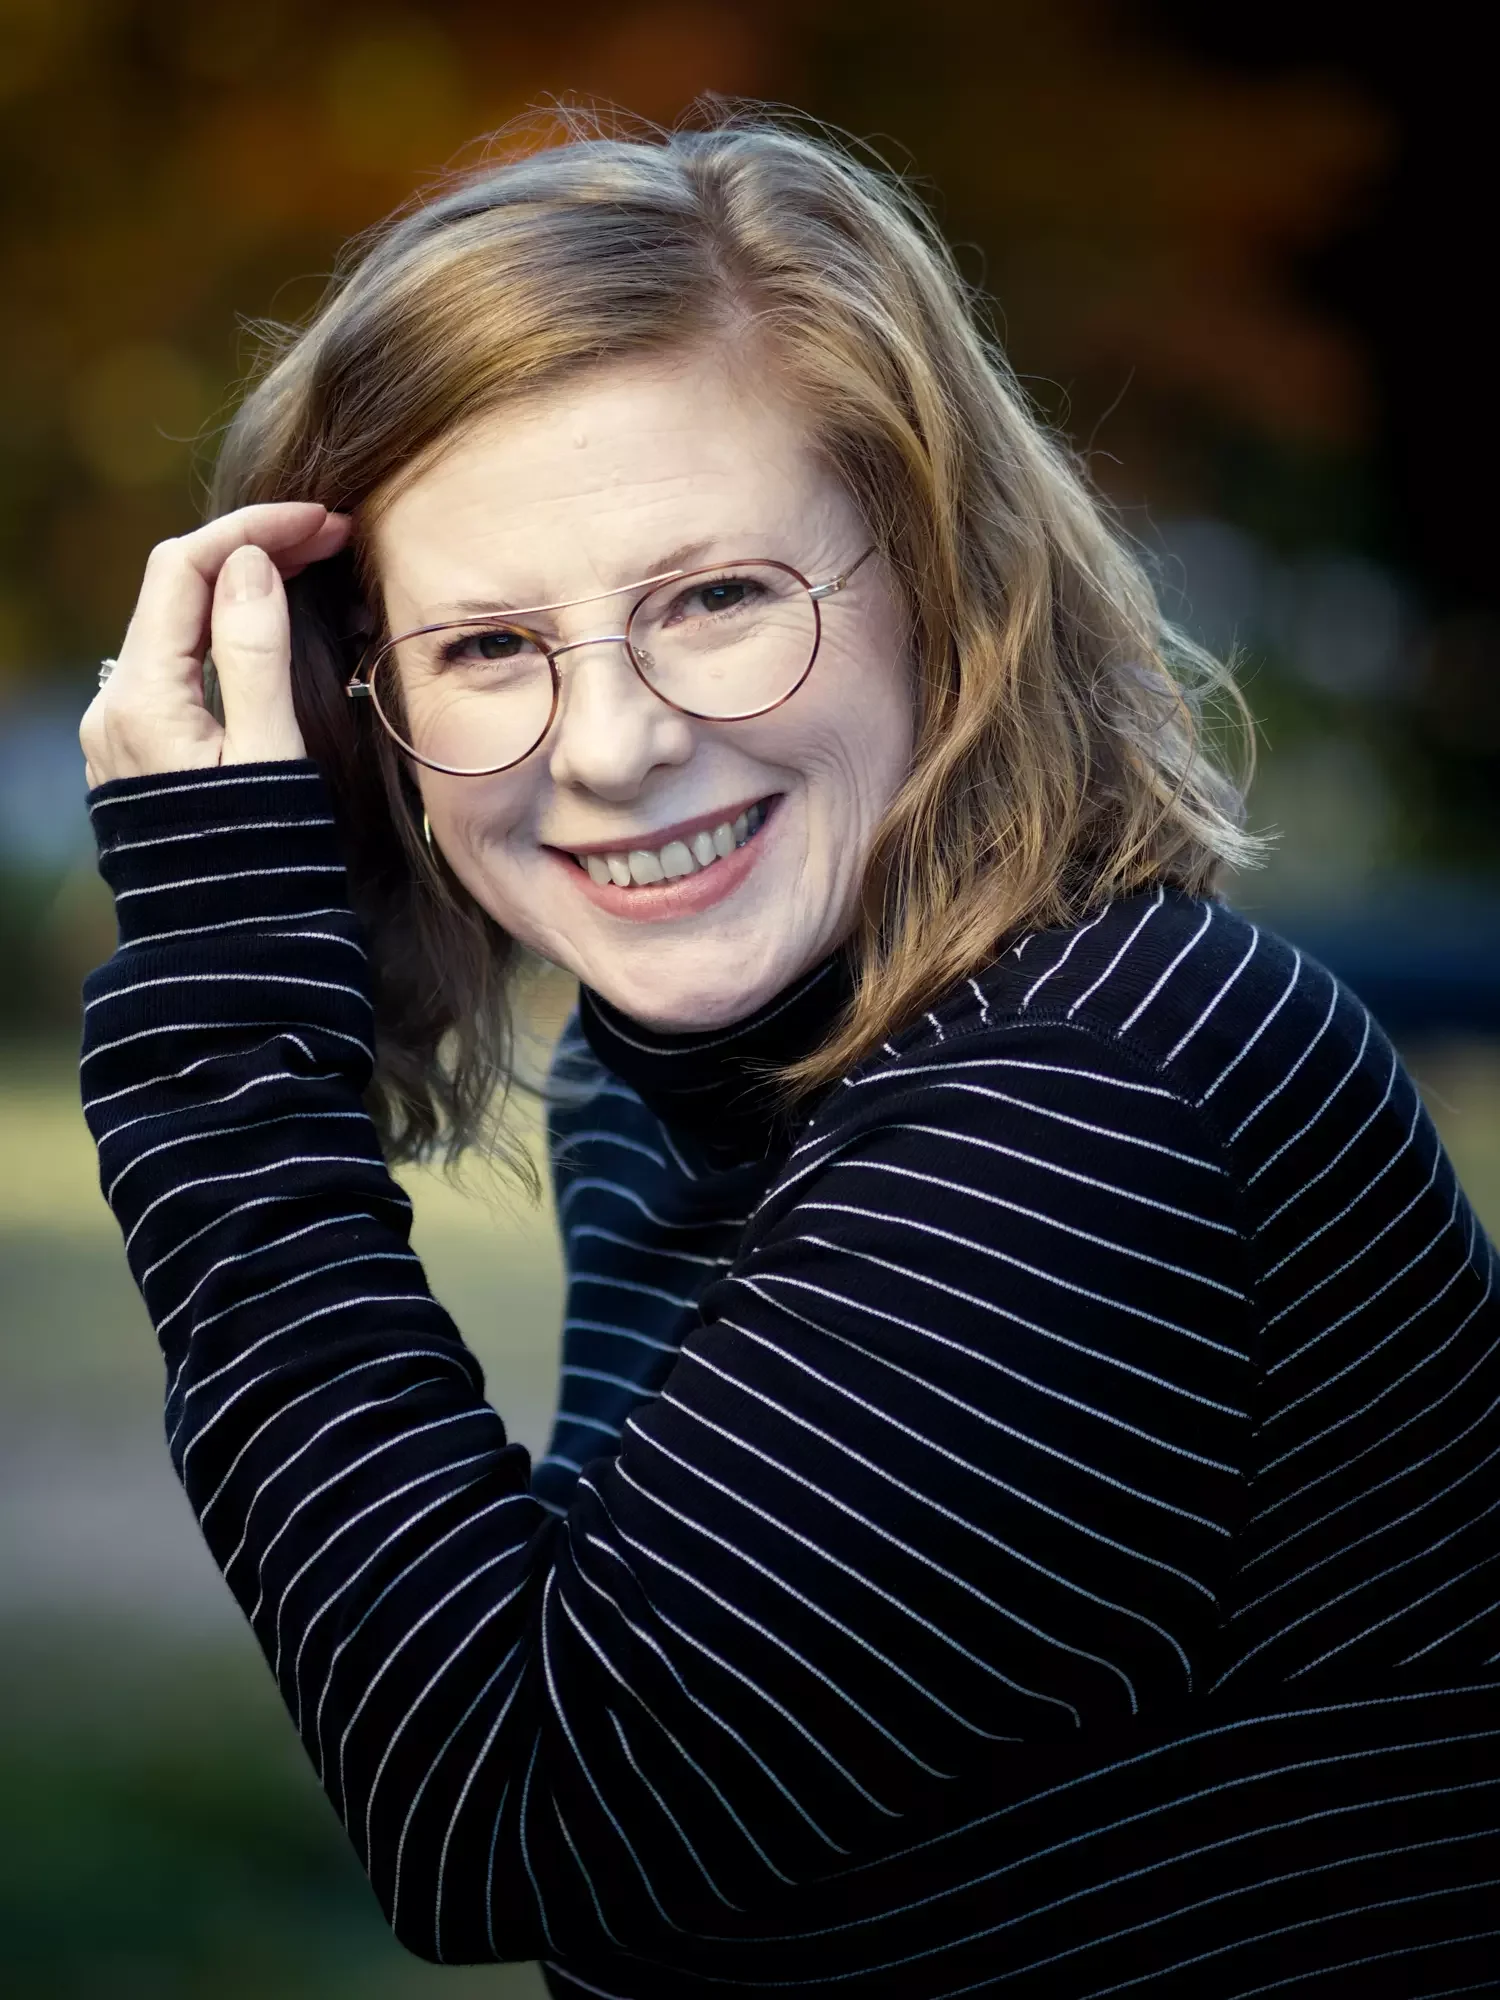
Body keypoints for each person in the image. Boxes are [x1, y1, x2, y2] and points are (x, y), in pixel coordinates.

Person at [77, 111, 1500, 1998]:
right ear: (363, 706)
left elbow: (519, 1807)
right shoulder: (677, 1081)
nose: (611, 748)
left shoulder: (1100, 1093)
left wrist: (222, 1034)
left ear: (942, 582)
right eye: (491, 645)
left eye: (718, 600)